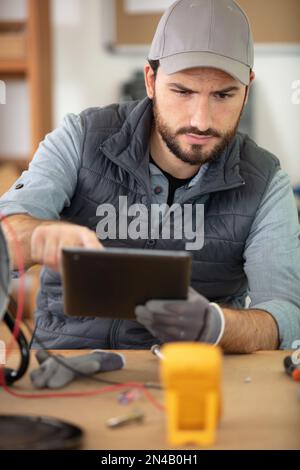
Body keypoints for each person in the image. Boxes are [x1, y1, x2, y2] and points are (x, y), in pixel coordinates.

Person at [1, 0, 299, 352]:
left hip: (188, 375)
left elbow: (287, 316)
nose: (201, 120)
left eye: (223, 95)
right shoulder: (80, 138)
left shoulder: (266, 182)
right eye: (183, 91)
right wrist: (36, 235)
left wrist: (217, 325)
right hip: (67, 363)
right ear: (151, 80)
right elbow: (6, 229)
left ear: (246, 89)